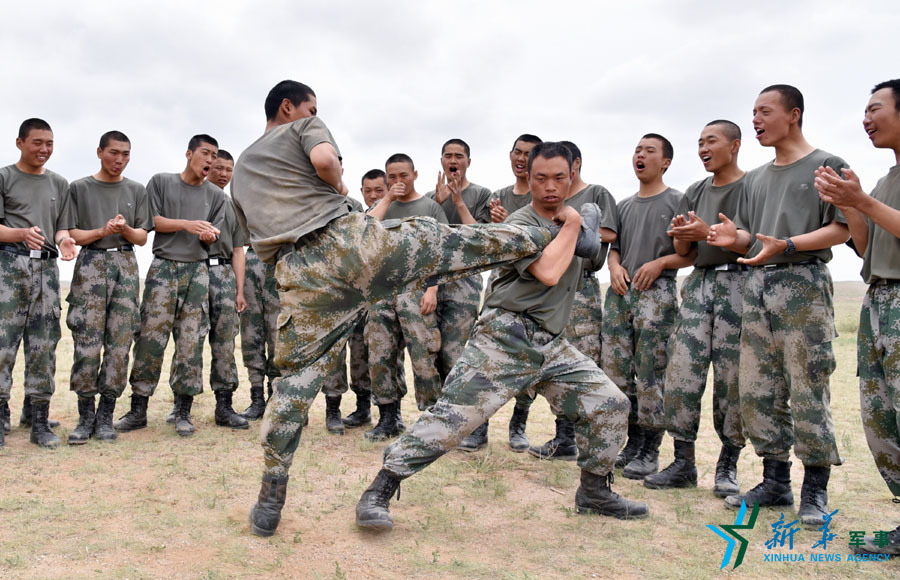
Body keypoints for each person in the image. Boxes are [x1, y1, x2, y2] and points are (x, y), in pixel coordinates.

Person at [232, 80, 602, 537]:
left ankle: (271, 497)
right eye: (310, 107)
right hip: (344, 243)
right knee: (437, 239)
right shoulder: (301, 126)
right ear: (290, 108)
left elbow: (254, 237)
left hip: (299, 276)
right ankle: (553, 233)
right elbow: (326, 162)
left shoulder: (239, 176)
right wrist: (338, 183)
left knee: (293, 386)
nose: (313, 112)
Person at [355, 142, 647, 531]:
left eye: (559, 178)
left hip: (551, 343)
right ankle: (379, 489)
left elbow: (593, 255)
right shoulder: (520, 226)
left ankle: (594, 490)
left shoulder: (571, 218)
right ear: (528, 177)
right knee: (452, 420)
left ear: (573, 174)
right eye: (539, 178)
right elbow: (548, 272)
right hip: (504, 339)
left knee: (610, 403)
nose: (549, 187)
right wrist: (576, 224)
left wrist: (585, 226)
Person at [707, 84, 850, 527]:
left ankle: (815, 490)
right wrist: (738, 240)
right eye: (752, 112)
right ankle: (775, 481)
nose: (755, 120)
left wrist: (787, 244)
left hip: (803, 284)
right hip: (756, 285)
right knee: (757, 389)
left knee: (807, 387)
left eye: (764, 111)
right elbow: (756, 238)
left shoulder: (827, 165)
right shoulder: (755, 178)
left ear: (794, 114)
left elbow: (840, 229)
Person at [814, 78, 900, 553]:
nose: (866, 119)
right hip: (879, 300)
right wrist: (851, 206)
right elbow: (866, 248)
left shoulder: (879, 190)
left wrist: (862, 202)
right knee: (882, 417)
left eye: (876, 109)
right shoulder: (886, 181)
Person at [643, 121, 747, 494]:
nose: (703, 148)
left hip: (739, 283)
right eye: (699, 142)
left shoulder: (750, 187)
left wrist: (711, 234)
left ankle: (727, 465)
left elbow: (757, 244)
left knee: (731, 380)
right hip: (700, 283)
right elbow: (685, 255)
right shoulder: (695, 191)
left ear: (734, 145)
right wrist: (683, 237)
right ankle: (683, 462)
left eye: (711, 141)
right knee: (682, 374)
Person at [116, 134, 225, 437]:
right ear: (189, 153)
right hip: (164, 268)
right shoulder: (162, 182)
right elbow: (152, 222)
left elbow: (214, 234)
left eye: (214, 155)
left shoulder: (216, 196)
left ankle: (183, 411)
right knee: (150, 339)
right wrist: (188, 224)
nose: (210, 160)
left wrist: (207, 236)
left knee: (191, 343)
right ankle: (138, 409)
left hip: (197, 272)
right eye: (205, 153)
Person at [602, 133, 692, 480]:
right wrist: (614, 267)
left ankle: (651, 450)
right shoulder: (623, 206)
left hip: (657, 295)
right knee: (616, 372)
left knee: (650, 374)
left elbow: (688, 254)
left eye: (649, 150)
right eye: (637, 149)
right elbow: (615, 247)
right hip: (620, 294)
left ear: (665, 161)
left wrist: (659, 264)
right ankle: (633, 443)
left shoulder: (677, 200)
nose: (640, 155)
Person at [526, 141, 618, 462]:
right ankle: (564, 438)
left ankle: (588, 439)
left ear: (574, 165)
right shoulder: (549, 199)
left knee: (583, 357)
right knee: (555, 362)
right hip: (551, 288)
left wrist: (573, 226)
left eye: (562, 171)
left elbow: (605, 237)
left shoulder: (596, 194)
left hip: (582, 286)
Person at [63, 130, 152, 444]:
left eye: (126, 154)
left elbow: (141, 237)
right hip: (90, 264)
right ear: (100, 152)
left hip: (125, 266)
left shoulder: (137, 190)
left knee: (119, 343)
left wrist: (124, 228)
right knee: (86, 343)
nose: (120, 160)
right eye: (114, 152)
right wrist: (102, 229)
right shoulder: (79, 188)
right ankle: (85, 415)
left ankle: (106, 416)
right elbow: (72, 232)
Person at [0, 118, 76, 449]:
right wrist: (20, 233)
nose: (44, 149)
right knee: (3, 345)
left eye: (49, 143)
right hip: (9, 266)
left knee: (44, 345)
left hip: (46, 271)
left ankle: (38, 419)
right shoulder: (4, 177)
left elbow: (61, 227)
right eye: (37, 143)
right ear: (20, 143)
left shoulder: (59, 184)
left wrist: (65, 242)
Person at [363, 153, 448, 440]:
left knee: (424, 355)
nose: (398, 181)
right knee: (381, 354)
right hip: (383, 291)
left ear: (415, 174)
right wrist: (386, 199)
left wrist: (433, 289)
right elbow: (361, 233)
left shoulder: (430, 207)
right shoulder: (381, 206)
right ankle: (389, 418)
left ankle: (429, 422)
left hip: (417, 290)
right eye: (392, 177)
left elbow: (442, 251)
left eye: (403, 175)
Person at [428, 139, 494, 451]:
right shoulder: (430, 197)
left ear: (468, 161)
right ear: (441, 160)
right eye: (448, 155)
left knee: (458, 355)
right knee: (435, 353)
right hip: (432, 281)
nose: (453, 160)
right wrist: (439, 203)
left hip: (464, 282)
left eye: (459, 156)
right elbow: (429, 238)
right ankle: (446, 423)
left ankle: (475, 425)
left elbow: (480, 237)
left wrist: (457, 201)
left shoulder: (481, 194)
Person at [341, 169, 409, 430]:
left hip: (389, 297)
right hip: (360, 300)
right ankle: (362, 409)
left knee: (390, 357)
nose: (373, 195)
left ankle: (394, 414)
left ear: (389, 188)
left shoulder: (397, 212)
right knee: (359, 355)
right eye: (367, 191)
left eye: (379, 190)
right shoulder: (360, 216)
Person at [490, 133, 543, 451]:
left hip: (533, 290)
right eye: (517, 152)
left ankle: (518, 424)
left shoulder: (544, 199)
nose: (521, 158)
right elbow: (487, 243)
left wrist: (509, 224)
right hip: (501, 286)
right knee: (489, 357)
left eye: (528, 154)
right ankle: (477, 427)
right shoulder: (498, 196)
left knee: (528, 363)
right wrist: (497, 226)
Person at [199, 150, 249, 429]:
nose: (223, 174)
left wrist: (239, 290)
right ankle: (181, 406)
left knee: (225, 344)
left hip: (223, 274)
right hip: (194, 268)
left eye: (229, 170)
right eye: (218, 168)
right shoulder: (196, 196)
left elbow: (238, 250)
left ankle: (225, 406)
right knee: (188, 342)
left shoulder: (231, 205)